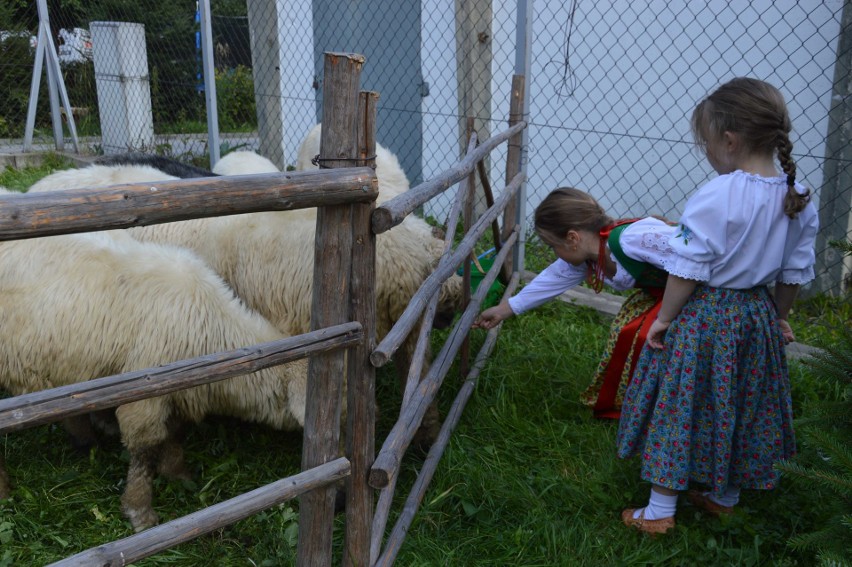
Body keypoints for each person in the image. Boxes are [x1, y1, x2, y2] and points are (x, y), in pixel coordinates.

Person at [617, 77, 818, 535]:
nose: (706, 151)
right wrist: (780, 318)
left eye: (706, 142)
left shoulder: (718, 194)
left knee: (680, 403)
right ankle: (723, 496)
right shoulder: (798, 197)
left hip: (707, 318)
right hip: (755, 317)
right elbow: (793, 273)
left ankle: (659, 511)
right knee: (740, 402)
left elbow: (687, 268)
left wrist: (664, 319)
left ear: (729, 141)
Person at [473, 187, 678, 418]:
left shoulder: (630, 240)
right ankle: (649, 402)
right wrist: (505, 308)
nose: (554, 253)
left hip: (698, 293)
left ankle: (673, 405)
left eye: (553, 246)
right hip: (664, 295)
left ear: (572, 238)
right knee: (628, 330)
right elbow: (554, 277)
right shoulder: (590, 255)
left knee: (645, 336)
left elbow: (695, 254)